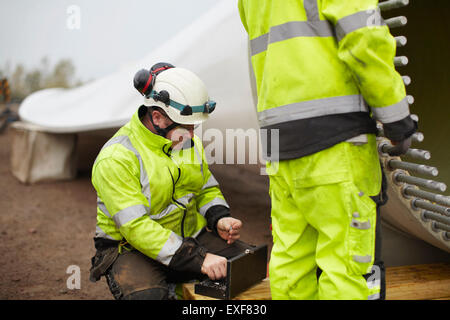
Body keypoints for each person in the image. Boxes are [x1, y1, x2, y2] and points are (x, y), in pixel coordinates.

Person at [238, 0, 417, 299]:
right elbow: (364, 36)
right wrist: (396, 118)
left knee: (292, 262)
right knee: (346, 266)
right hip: (335, 139)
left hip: (278, 141)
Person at [89, 63, 249, 300]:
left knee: (247, 267)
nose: (192, 135)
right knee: (149, 296)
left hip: (187, 239)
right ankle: (174, 286)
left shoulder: (186, 143)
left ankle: (180, 282)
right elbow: (136, 227)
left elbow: (205, 188)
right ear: (157, 117)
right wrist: (199, 259)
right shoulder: (116, 158)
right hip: (131, 249)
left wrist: (219, 218)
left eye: (194, 127)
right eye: (187, 127)